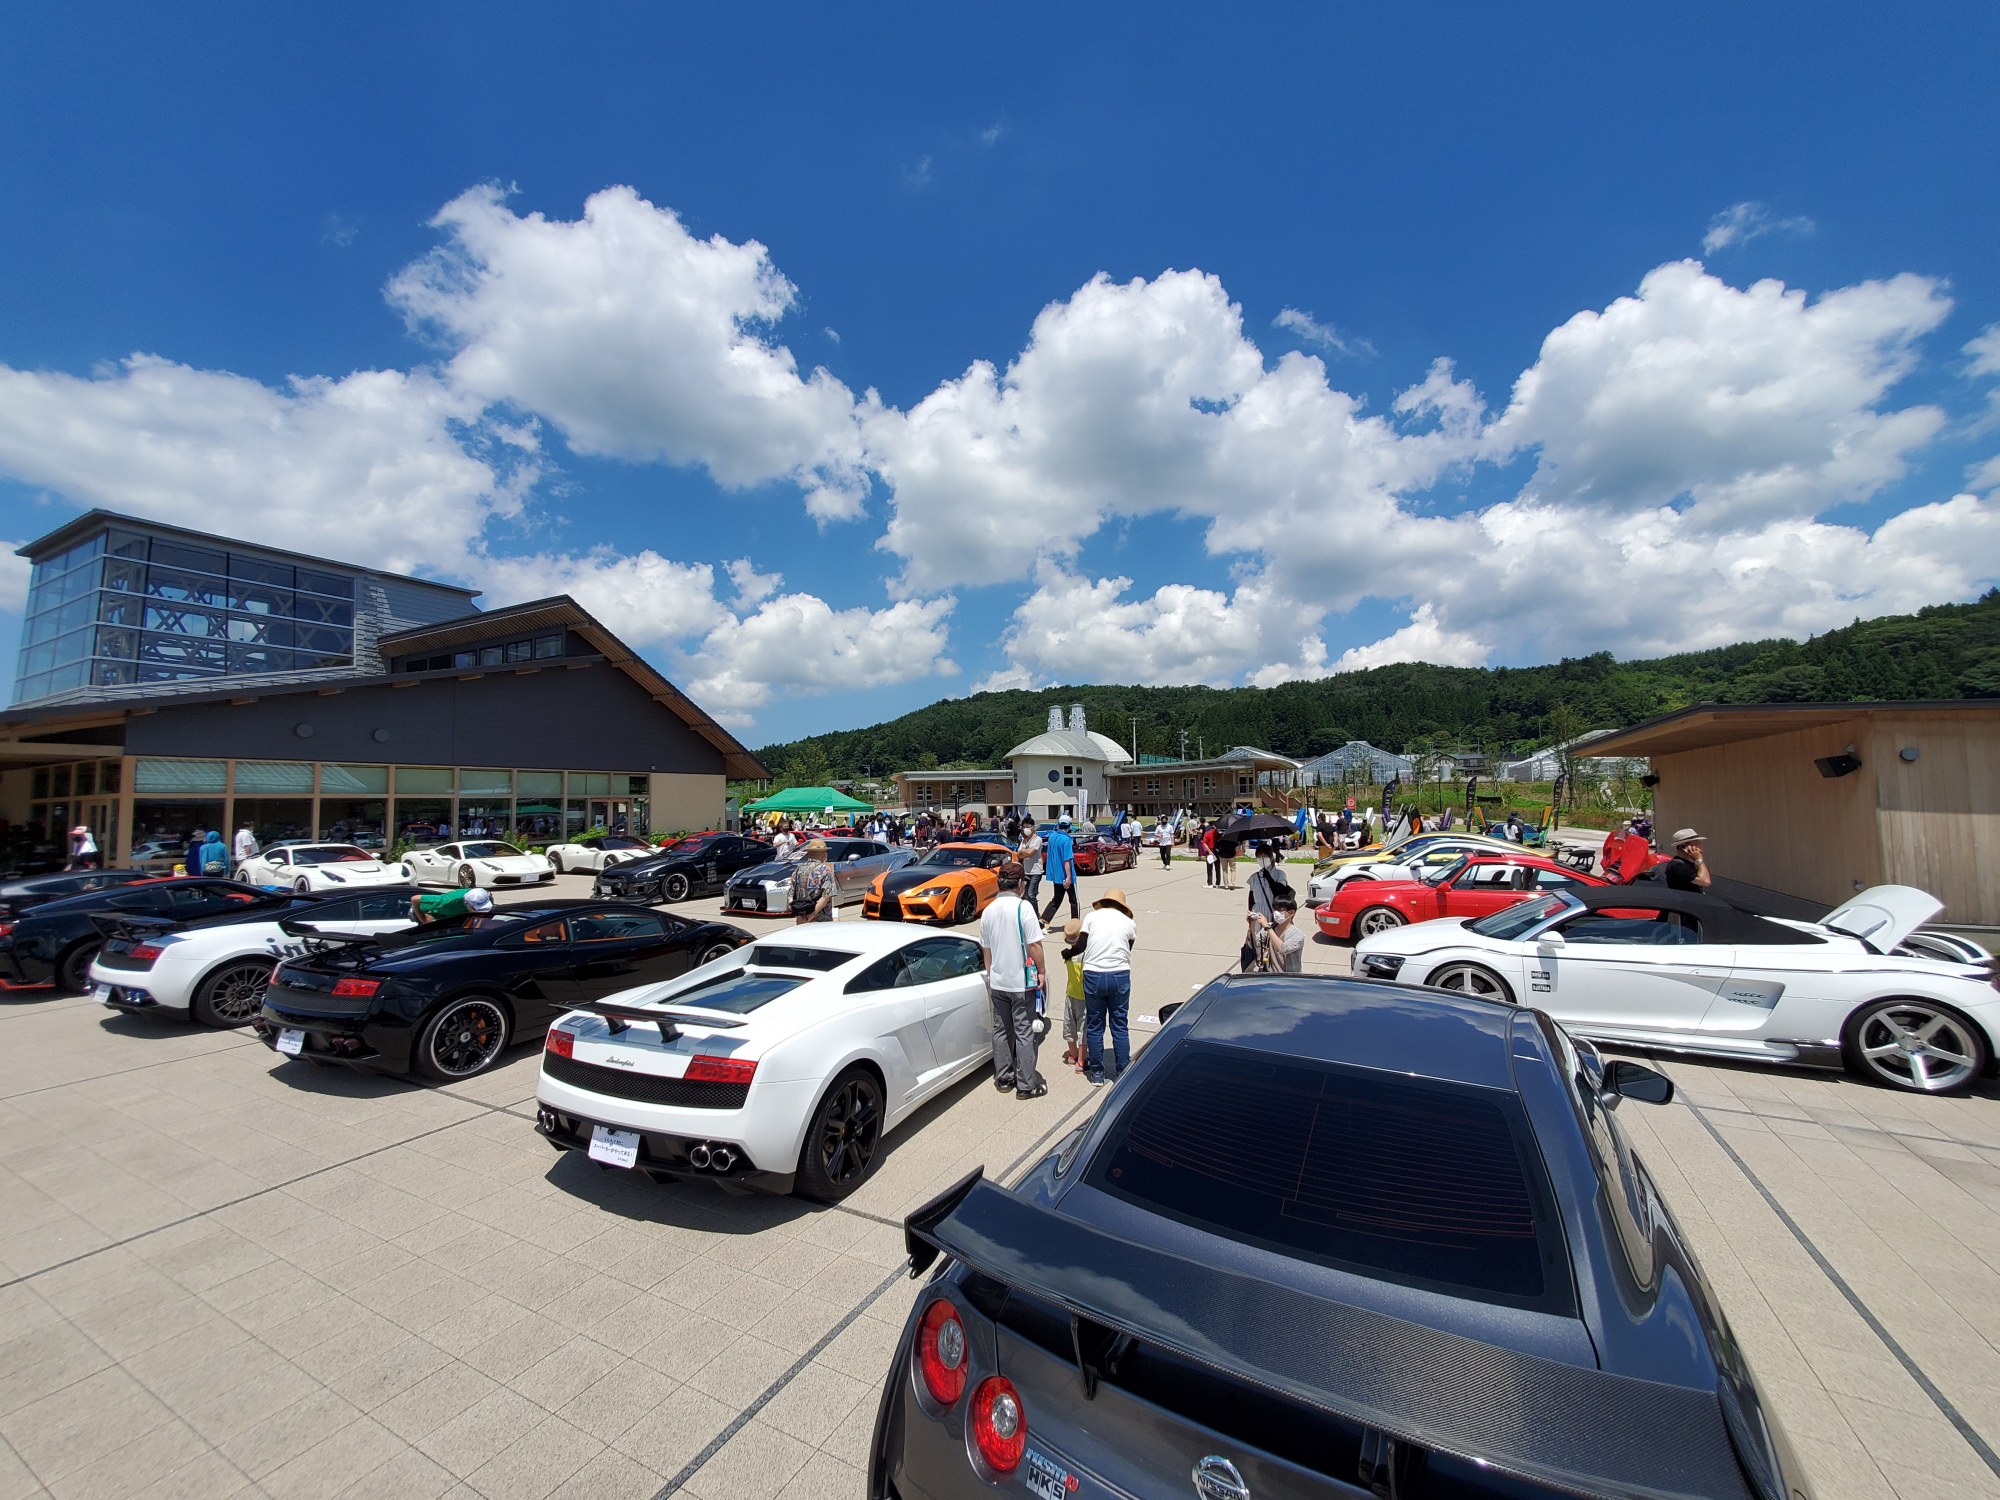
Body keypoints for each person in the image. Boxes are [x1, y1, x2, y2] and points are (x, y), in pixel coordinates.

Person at [978, 863, 1047, 1099]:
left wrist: (991, 974)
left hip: (998, 981)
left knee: (1001, 1031)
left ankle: (1004, 1078)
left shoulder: (988, 910)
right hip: (1020, 982)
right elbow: (1035, 945)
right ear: (1020, 884)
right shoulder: (1024, 908)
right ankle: (1026, 1085)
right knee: (1024, 1032)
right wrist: (1042, 971)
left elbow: (985, 948)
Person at [1079, 887, 1136, 1086]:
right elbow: (1128, 947)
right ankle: (1122, 1071)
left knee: (1095, 1025)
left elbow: (1083, 943)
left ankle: (1097, 1072)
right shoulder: (1129, 922)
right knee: (1120, 1024)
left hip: (1093, 972)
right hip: (1119, 973)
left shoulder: (1091, 917)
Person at [1058, 917, 1088, 1070]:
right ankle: (1081, 1061)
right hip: (1084, 996)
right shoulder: (1085, 955)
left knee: (1069, 1024)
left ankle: (1072, 1054)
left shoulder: (1067, 955)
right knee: (1083, 1028)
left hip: (1070, 994)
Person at [1040, 817, 1078, 926]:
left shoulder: (1052, 837)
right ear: (1069, 826)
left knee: (1057, 899)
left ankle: (1043, 920)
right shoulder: (1066, 840)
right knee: (1074, 901)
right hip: (1066, 876)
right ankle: (1075, 923)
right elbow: (1067, 860)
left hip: (1056, 875)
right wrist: (1069, 877)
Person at [1256, 891, 1305, 973]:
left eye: (1281, 910)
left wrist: (1268, 928)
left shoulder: (1296, 934)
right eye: (1275, 909)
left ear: (1292, 913)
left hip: (1288, 978)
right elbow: (1256, 942)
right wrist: (1252, 924)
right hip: (1270, 975)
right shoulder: (1272, 927)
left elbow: (1283, 949)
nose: (1276, 913)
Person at [792, 839, 836, 922]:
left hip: (801, 917)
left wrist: (797, 913)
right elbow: (826, 896)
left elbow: (790, 894)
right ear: (823, 854)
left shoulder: (798, 870)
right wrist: (812, 915)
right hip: (821, 918)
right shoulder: (825, 870)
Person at [412, 885, 493, 924]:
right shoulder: (446, 901)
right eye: (476, 908)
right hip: (439, 921)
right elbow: (415, 899)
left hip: (460, 919)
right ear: (466, 903)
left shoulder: (484, 894)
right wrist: (424, 920)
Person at [1020, 823, 1045, 909]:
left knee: (1031, 895)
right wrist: (1025, 853)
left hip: (1036, 871)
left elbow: (1030, 853)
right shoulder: (1024, 840)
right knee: (1025, 895)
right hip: (1026, 871)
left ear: (1033, 828)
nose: (1026, 829)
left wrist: (1024, 852)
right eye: (1024, 827)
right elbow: (1018, 854)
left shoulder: (1037, 839)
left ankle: (1036, 915)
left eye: (1028, 827)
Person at [1201, 822, 1219, 886]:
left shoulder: (1207, 833)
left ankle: (1210, 882)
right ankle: (1218, 882)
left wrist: (1209, 851)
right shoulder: (1218, 834)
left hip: (1210, 851)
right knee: (1217, 867)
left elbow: (1204, 843)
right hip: (1216, 851)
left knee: (1209, 868)